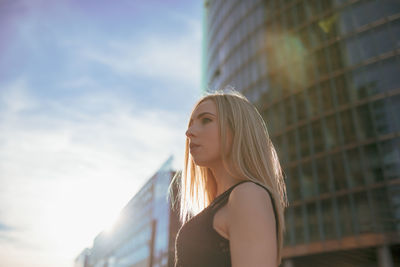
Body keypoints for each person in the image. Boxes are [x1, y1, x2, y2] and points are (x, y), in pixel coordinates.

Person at [170, 89, 288, 267]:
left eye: (206, 120)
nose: (189, 132)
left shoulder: (248, 195)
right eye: (191, 123)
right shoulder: (233, 200)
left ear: (237, 129)